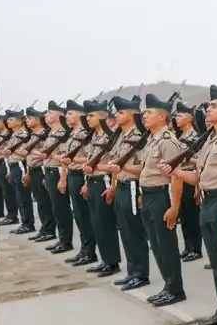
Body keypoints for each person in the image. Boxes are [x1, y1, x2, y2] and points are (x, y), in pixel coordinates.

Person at [162, 85, 217, 325]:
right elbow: (200, 177)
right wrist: (175, 171)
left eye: (214, 106)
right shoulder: (211, 139)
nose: (208, 109)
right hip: (208, 202)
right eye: (208, 105)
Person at [136, 93, 187, 308]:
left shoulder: (168, 141)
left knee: (166, 244)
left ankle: (175, 289)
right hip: (148, 195)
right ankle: (168, 286)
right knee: (156, 244)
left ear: (162, 116)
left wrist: (174, 207)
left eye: (149, 113)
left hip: (161, 196)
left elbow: (176, 176)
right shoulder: (152, 139)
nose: (144, 116)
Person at [105, 95, 151, 290]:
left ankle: (140, 274)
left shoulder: (137, 137)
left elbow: (143, 167)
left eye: (121, 112)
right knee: (125, 231)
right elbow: (116, 164)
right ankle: (132, 271)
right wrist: (114, 186)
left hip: (132, 186)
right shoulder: (120, 136)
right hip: (121, 186)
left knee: (134, 232)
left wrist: (121, 168)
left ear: (132, 116)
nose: (117, 115)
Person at [78, 100, 122, 277]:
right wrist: (85, 182)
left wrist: (113, 186)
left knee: (105, 224)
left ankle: (112, 262)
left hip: (103, 182)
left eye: (91, 115)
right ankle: (105, 260)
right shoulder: (94, 136)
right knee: (96, 224)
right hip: (92, 182)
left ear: (103, 117)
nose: (87, 118)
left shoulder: (109, 137)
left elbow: (115, 165)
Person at [59, 100, 98, 266]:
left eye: (70, 113)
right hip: (72, 175)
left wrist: (86, 181)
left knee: (84, 216)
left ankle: (89, 252)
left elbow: (90, 157)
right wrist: (63, 177)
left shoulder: (84, 133)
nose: (66, 116)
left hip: (82, 175)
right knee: (78, 215)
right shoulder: (73, 132)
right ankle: (84, 249)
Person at [35, 101, 74, 254]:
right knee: (55, 207)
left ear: (57, 117)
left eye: (49, 113)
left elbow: (65, 158)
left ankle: (66, 241)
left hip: (58, 171)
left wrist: (63, 178)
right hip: (50, 171)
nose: (45, 116)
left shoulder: (62, 133)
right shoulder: (52, 132)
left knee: (61, 207)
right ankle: (61, 238)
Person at [173, 101, 204, 262]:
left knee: (192, 215)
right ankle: (187, 246)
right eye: (176, 115)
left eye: (180, 115)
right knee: (184, 214)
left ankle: (196, 248)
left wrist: (198, 186)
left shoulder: (196, 137)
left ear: (190, 118)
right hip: (180, 178)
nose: (177, 118)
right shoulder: (180, 137)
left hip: (191, 177)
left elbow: (200, 160)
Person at [23, 107, 57, 243]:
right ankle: (44, 228)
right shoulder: (33, 134)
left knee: (45, 201)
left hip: (41, 170)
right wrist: (27, 172)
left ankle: (49, 230)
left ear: (37, 119)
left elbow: (45, 155)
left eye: (29, 118)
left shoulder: (43, 133)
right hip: (33, 170)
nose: (27, 120)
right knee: (40, 202)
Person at [0, 110, 36, 234]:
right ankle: (24, 222)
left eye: (11, 119)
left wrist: (27, 172)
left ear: (20, 121)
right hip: (13, 166)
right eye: (8, 119)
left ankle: (28, 223)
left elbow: (25, 153)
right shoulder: (14, 135)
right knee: (19, 197)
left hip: (21, 166)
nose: (8, 122)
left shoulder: (23, 134)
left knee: (23, 196)